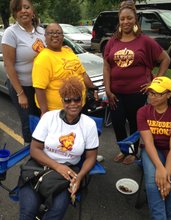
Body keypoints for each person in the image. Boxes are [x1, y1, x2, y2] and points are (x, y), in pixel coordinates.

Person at [19, 76, 99, 219]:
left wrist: (79, 177)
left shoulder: (89, 125)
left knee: (56, 211)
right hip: (39, 167)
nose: (73, 104)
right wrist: (58, 167)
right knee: (28, 212)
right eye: (68, 100)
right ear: (62, 101)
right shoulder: (49, 118)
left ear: (82, 100)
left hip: (68, 174)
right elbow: (34, 149)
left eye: (77, 99)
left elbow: (91, 157)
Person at [103, 0, 170, 164]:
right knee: (118, 124)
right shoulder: (113, 41)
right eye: (122, 19)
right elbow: (106, 65)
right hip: (115, 94)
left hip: (137, 93)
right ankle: (123, 150)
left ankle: (133, 152)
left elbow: (165, 59)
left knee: (135, 123)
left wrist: (155, 83)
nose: (125, 22)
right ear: (119, 21)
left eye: (129, 18)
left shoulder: (144, 41)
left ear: (135, 20)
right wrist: (108, 89)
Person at [137, 76, 171, 220]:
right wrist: (160, 169)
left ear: (168, 94)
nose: (152, 96)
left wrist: (166, 175)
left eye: (157, 93)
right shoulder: (143, 112)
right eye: (150, 92)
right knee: (153, 179)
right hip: (153, 148)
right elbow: (148, 142)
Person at [2, 0, 45, 146]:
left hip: (40, 86)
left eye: (26, 7)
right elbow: (8, 64)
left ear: (32, 10)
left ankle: (44, 152)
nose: (24, 11)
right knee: (29, 122)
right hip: (22, 86)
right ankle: (31, 155)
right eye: (19, 9)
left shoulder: (41, 31)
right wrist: (20, 94)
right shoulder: (11, 33)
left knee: (43, 119)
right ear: (14, 14)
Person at [32, 22, 98, 116]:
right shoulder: (43, 58)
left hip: (79, 105)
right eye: (51, 33)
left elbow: (82, 73)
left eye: (58, 33)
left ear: (63, 37)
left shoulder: (68, 51)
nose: (55, 35)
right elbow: (39, 88)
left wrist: (93, 89)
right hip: (58, 111)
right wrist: (44, 112)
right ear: (45, 37)